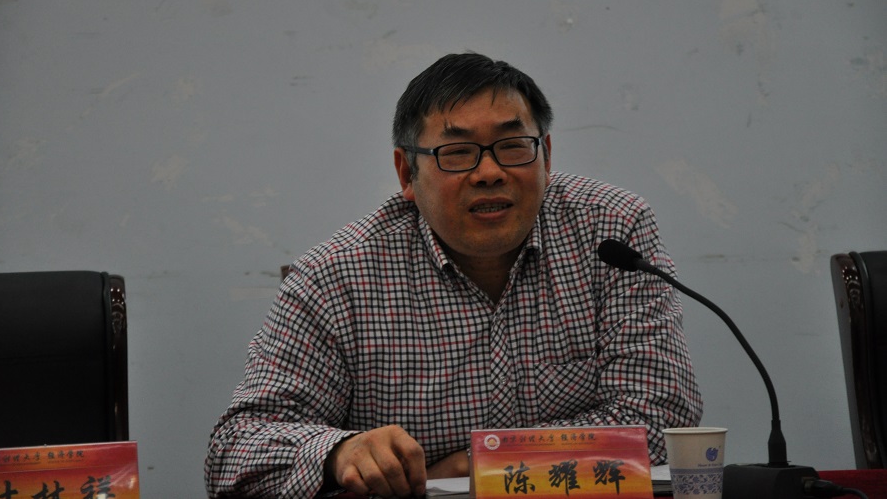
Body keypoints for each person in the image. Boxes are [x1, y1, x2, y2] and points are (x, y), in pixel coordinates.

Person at [205, 52, 703, 498]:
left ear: (547, 156)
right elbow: (235, 452)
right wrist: (339, 453)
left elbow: (661, 415)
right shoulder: (336, 277)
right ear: (407, 174)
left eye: (513, 146)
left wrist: (482, 466)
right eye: (458, 153)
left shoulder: (612, 231)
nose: (489, 172)